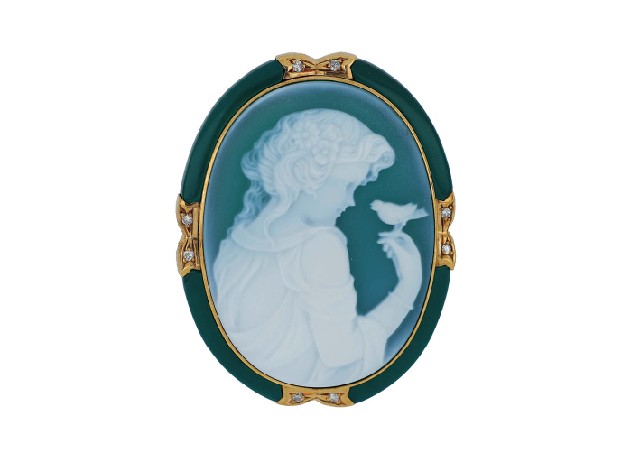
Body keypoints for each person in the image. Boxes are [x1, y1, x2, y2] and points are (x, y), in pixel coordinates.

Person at [213, 108, 422, 387]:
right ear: (308, 177)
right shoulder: (321, 244)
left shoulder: (234, 243)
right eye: (347, 185)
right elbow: (342, 354)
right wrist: (409, 286)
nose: (350, 201)